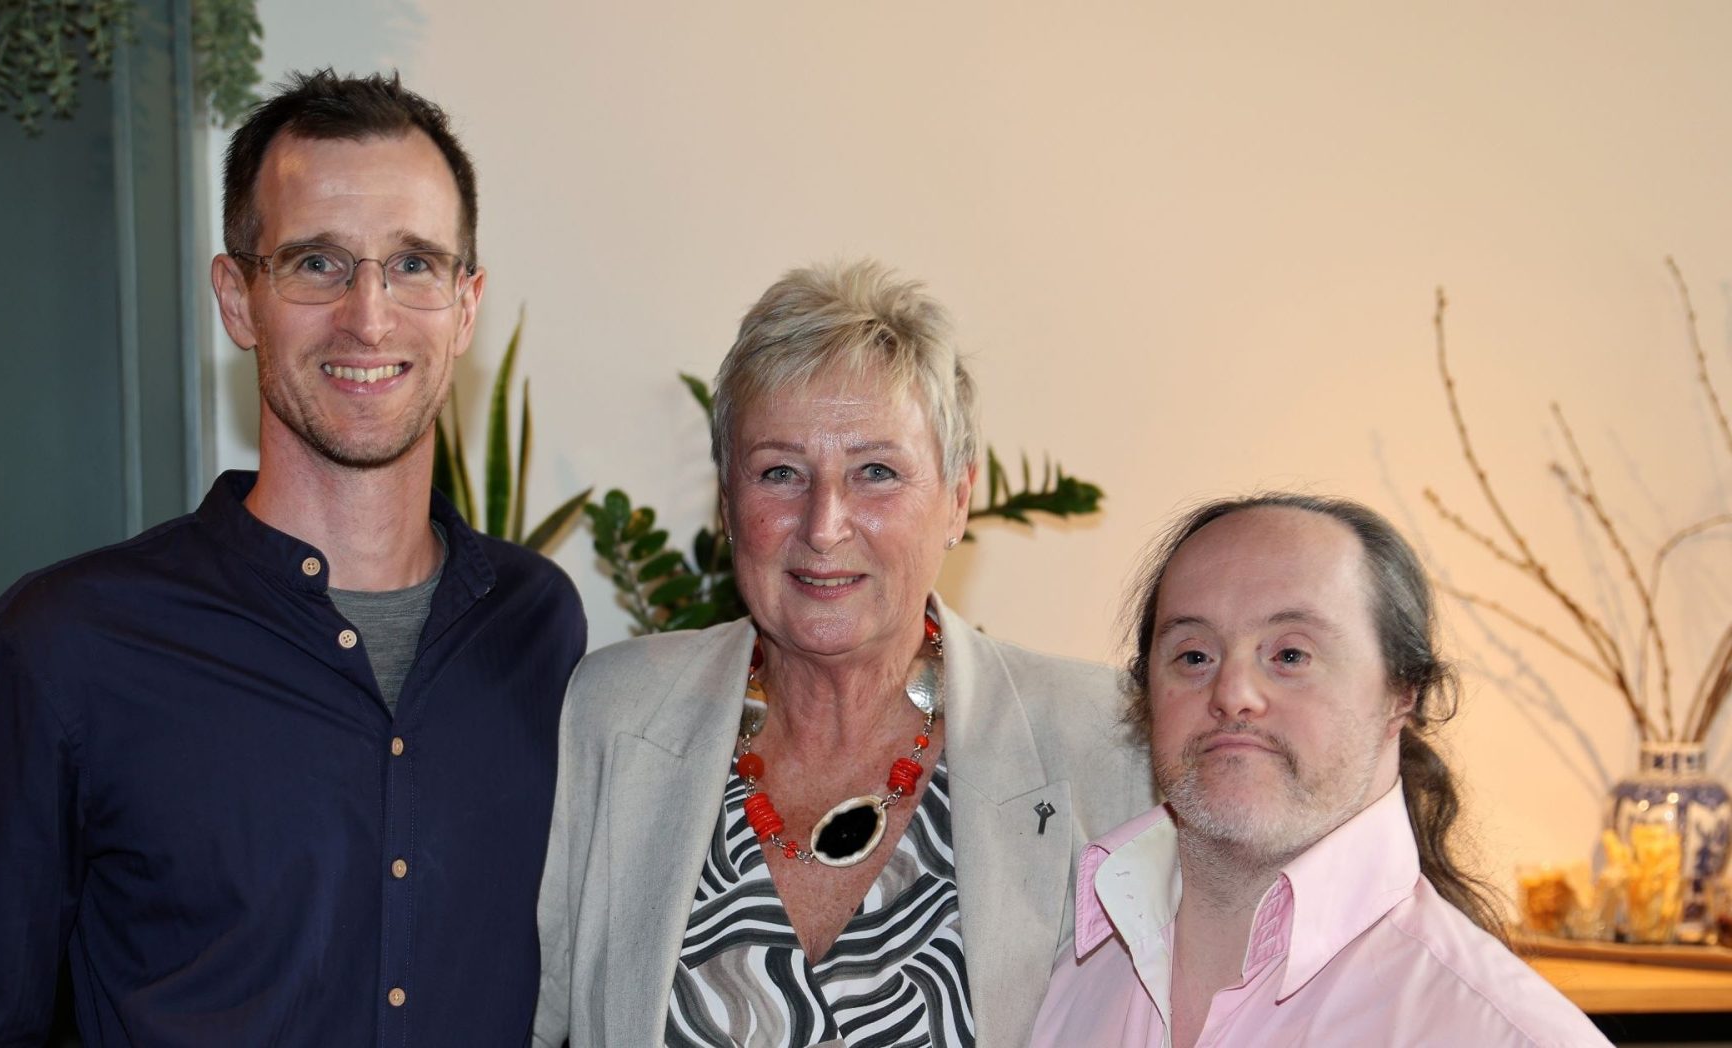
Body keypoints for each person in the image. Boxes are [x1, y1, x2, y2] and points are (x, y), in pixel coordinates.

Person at [0, 70, 586, 1046]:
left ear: (464, 304)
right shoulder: (64, 650)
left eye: (412, 264)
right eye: (316, 263)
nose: (368, 315)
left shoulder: (536, 624)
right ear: (237, 298)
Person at [533, 260, 1153, 1046]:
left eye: (876, 472)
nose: (824, 525)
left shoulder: (1103, 742)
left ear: (958, 498)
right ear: (728, 500)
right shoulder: (614, 715)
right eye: (781, 472)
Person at [1029, 494, 1609, 1047]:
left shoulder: (1506, 1033)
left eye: (1289, 655)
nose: (1232, 693)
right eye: (1194, 655)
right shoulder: (1060, 979)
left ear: (1401, 694)